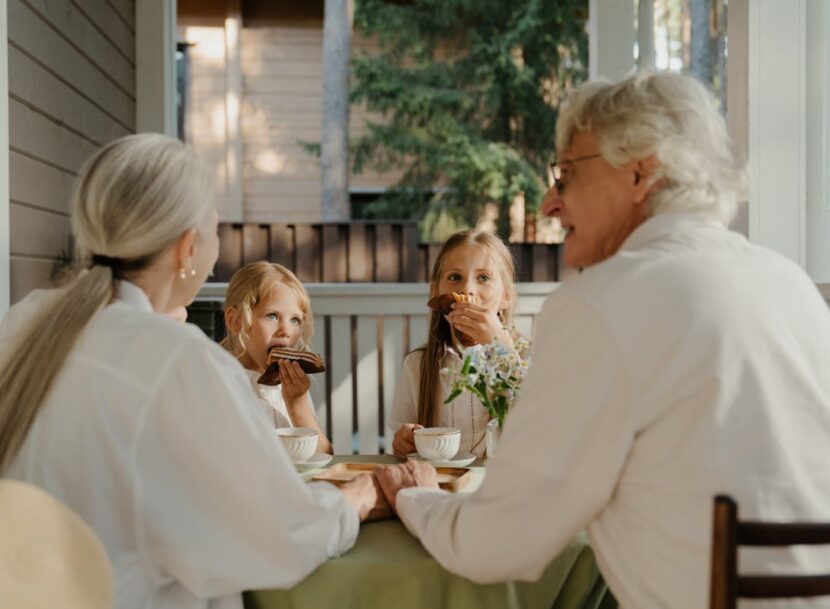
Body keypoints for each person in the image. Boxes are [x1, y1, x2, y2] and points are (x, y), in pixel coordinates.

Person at [374, 72, 830, 609]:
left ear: (641, 172)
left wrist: (415, 495)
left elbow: (496, 543)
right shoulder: (790, 285)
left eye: (565, 175)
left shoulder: (601, 304)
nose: (549, 203)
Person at [0, 134, 384, 609]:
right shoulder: (179, 360)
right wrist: (359, 499)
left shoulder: (21, 322)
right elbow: (277, 539)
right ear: (188, 249)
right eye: (216, 229)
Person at [388, 230, 518, 458]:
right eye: (455, 277)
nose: (466, 290)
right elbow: (401, 444)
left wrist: (501, 348)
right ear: (435, 292)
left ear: (506, 297)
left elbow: (539, 429)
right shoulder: (417, 365)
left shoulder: (526, 360)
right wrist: (403, 441)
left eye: (484, 278)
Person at [221, 261, 332, 453]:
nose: (286, 330)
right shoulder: (220, 380)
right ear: (235, 320)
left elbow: (324, 456)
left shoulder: (291, 385)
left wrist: (297, 403)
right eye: (272, 316)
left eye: (295, 320)